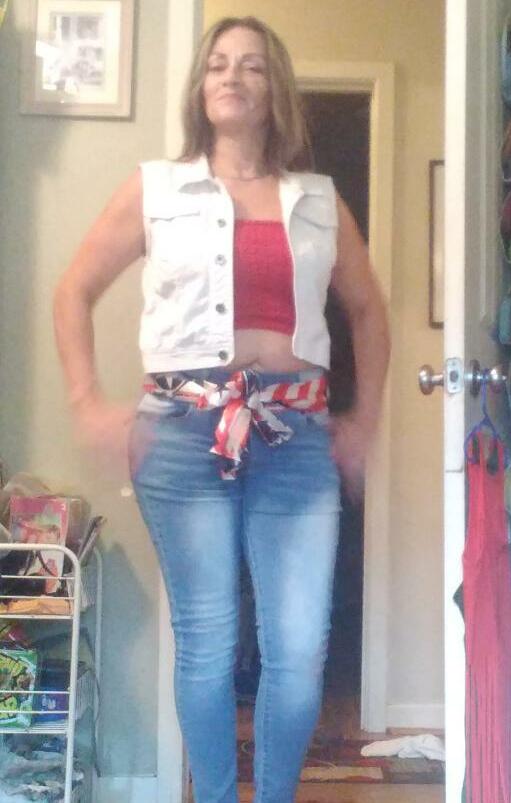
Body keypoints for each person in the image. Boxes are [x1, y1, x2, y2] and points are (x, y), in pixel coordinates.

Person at [53, 15, 390, 803]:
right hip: (183, 435)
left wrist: (363, 420)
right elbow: (73, 289)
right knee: (207, 645)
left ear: (277, 89)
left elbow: (369, 311)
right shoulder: (156, 188)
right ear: (200, 88)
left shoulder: (319, 201)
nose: (233, 75)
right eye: (218, 64)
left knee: (298, 651)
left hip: (295, 434)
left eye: (252, 65)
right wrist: (88, 401)